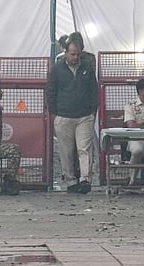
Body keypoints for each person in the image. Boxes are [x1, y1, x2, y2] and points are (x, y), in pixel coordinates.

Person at [47, 36, 99, 194]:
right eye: (72, 54)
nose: (75, 57)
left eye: (77, 54)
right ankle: (70, 181)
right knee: (66, 151)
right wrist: (54, 113)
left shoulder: (88, 68)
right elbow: (51, 92)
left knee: (84, 149)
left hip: (84, 116)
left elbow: (93, 91)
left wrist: (92, 112)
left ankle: (85, 179)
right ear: (66, 53)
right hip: (63, 116)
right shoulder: (56, 69)